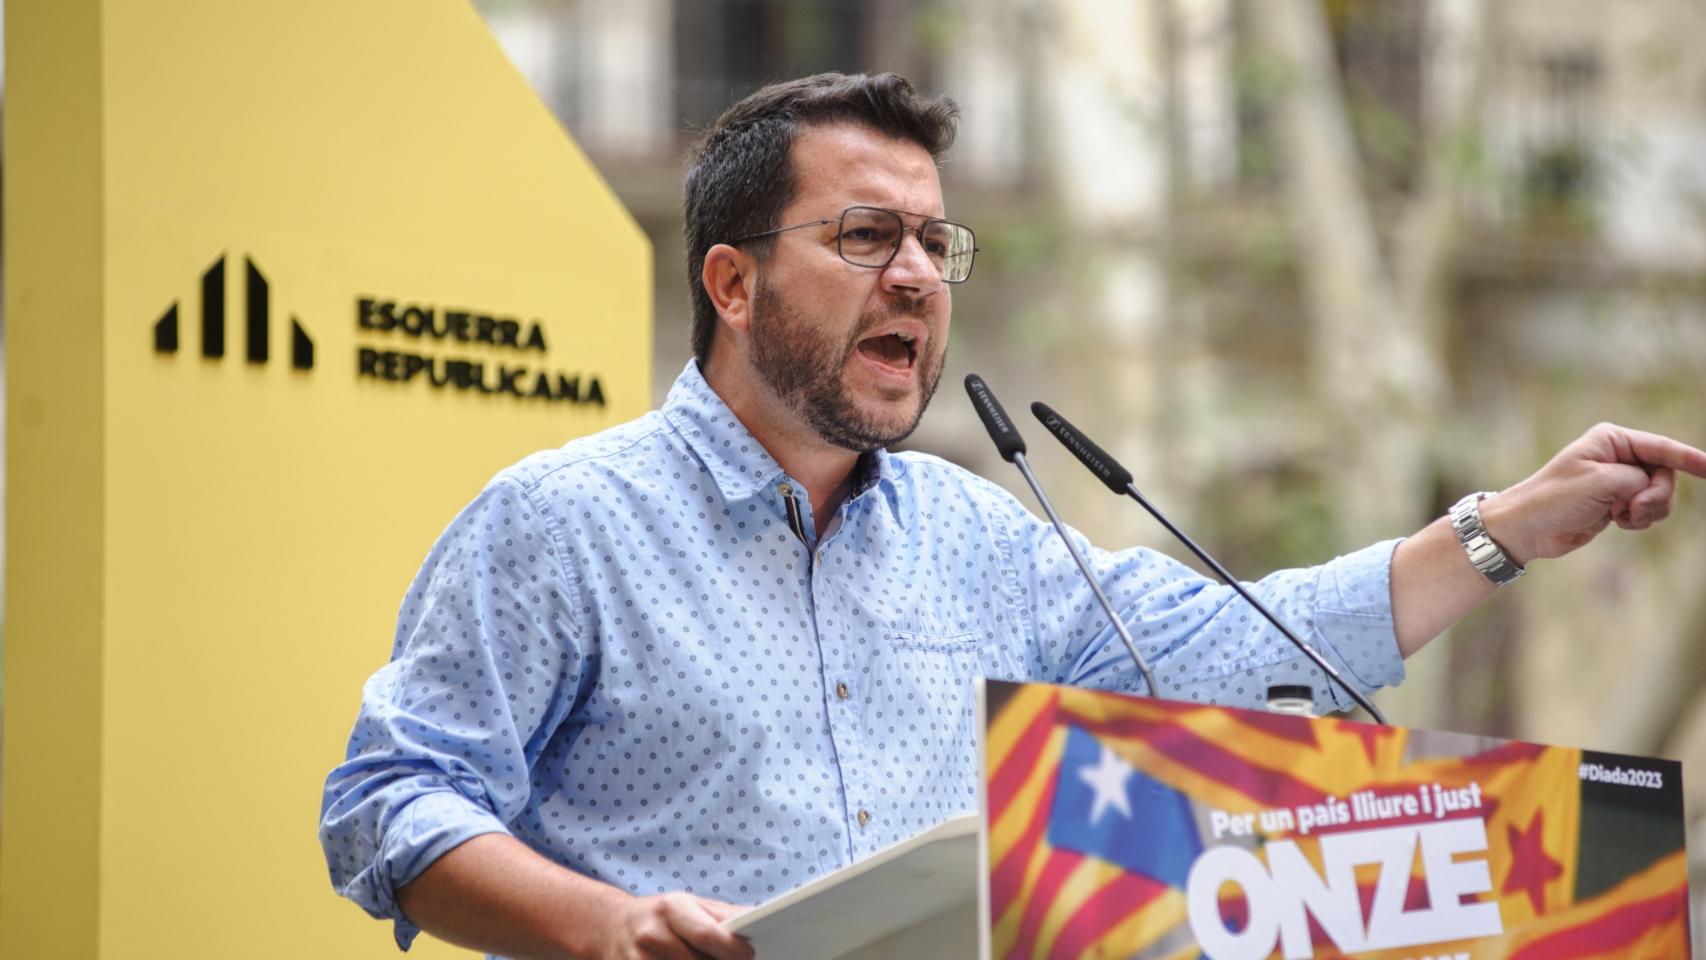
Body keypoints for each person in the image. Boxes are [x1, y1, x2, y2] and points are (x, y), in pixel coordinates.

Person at [319, 72, 1706, 960]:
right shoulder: (562, 523)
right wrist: (607, 924)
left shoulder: (985, 536)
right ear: (731, 285)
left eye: (935, 242)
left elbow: (1241, 643)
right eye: (866, 237)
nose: (918, 276)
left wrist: (1504, 528)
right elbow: (387, 801)